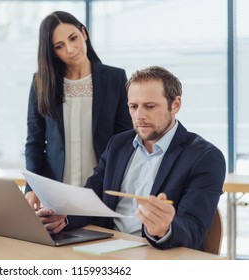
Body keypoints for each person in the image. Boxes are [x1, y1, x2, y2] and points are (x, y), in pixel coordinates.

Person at [37, 66, 226, 251]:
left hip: (156, 254)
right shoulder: (118, 144)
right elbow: (92, 200)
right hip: (106, 248)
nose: (139, 116)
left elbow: (194, 230)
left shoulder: (205, 157)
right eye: (133, 107)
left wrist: (164, 229)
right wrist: (62, 217)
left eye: (150, 106)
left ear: (175, 105)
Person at [25, 11, 132, 209]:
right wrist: (32, 187)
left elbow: (124, 140)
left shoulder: (115, 78)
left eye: (73, 38)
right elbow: (34, 142)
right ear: (52, 52)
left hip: (102, 191)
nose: (70, 49)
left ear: (84, 32)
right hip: (54, 192)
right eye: (59, 46)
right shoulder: (41, 82)